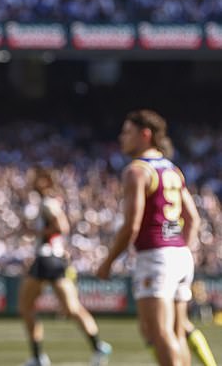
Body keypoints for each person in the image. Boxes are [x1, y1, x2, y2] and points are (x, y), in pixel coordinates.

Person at [97, 109, 201, 366]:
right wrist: (180, 249)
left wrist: (108, 262)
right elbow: (193, 219)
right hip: (179, 254)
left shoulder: (137, 171)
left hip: (156, 256)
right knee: (176, 333)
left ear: (145, 135)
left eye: (127, 132)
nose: (122, 138)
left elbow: (131, 226)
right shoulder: (173, 169)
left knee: (158, 332)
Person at [18, 168, 111, 366]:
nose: (32, 181)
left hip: (46, 258)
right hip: (57, 259)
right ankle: (98, 347)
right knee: (72, 308)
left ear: (44, 181)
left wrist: (34, 232)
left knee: (26, 306)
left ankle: (38, 357)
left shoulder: (47, 203)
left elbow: (62, 226)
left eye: (36, 178)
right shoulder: (50, 201)